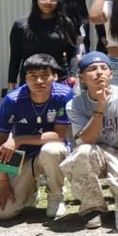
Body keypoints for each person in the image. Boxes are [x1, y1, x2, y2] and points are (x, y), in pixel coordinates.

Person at [60, 52, 118, 228]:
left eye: (104, 68)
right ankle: (93, 208)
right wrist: (100, 106)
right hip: (95, 152)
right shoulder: (74, 104)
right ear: (81, 77)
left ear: (111, 74)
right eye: (92, 69)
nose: (99, 73)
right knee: (81, 153)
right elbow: (86, 140)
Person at [0, 54, 73, 220]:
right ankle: (30, 191)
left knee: (52, 150)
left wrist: (19, 139)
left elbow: (59, 135)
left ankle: (55, 195)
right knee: (4, 213)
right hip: (21, 156)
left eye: (45, 76)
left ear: (54, 76)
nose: (39, 81)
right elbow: (1, 142)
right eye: (33, 76)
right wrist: (2, 181)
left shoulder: (64, 95)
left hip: (49, 152)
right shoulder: (12, 100)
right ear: (25, 78)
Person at [9, 0, 78, 89]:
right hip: (31, 80)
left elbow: (72, 52)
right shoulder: (21, 24)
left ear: (58, 1)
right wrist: (11, 81)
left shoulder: (66, 23)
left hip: (59, 79)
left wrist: (73, 76)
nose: (48, 2)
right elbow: (15, 56)